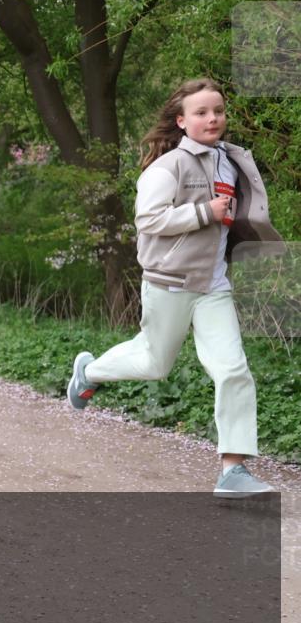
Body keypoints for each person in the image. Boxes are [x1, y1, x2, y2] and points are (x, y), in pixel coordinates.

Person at [66, 78, 284, 499]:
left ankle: (233, 470)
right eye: (201, 112)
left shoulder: (231, 160)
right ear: (182, 121)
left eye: (218, 111)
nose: (212, 118)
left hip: (214, 284)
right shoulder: (168, 167)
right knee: (155, 364)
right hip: (170, 283)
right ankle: (88, 372)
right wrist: (203, 212)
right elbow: (148, 220)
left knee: (233, 370)